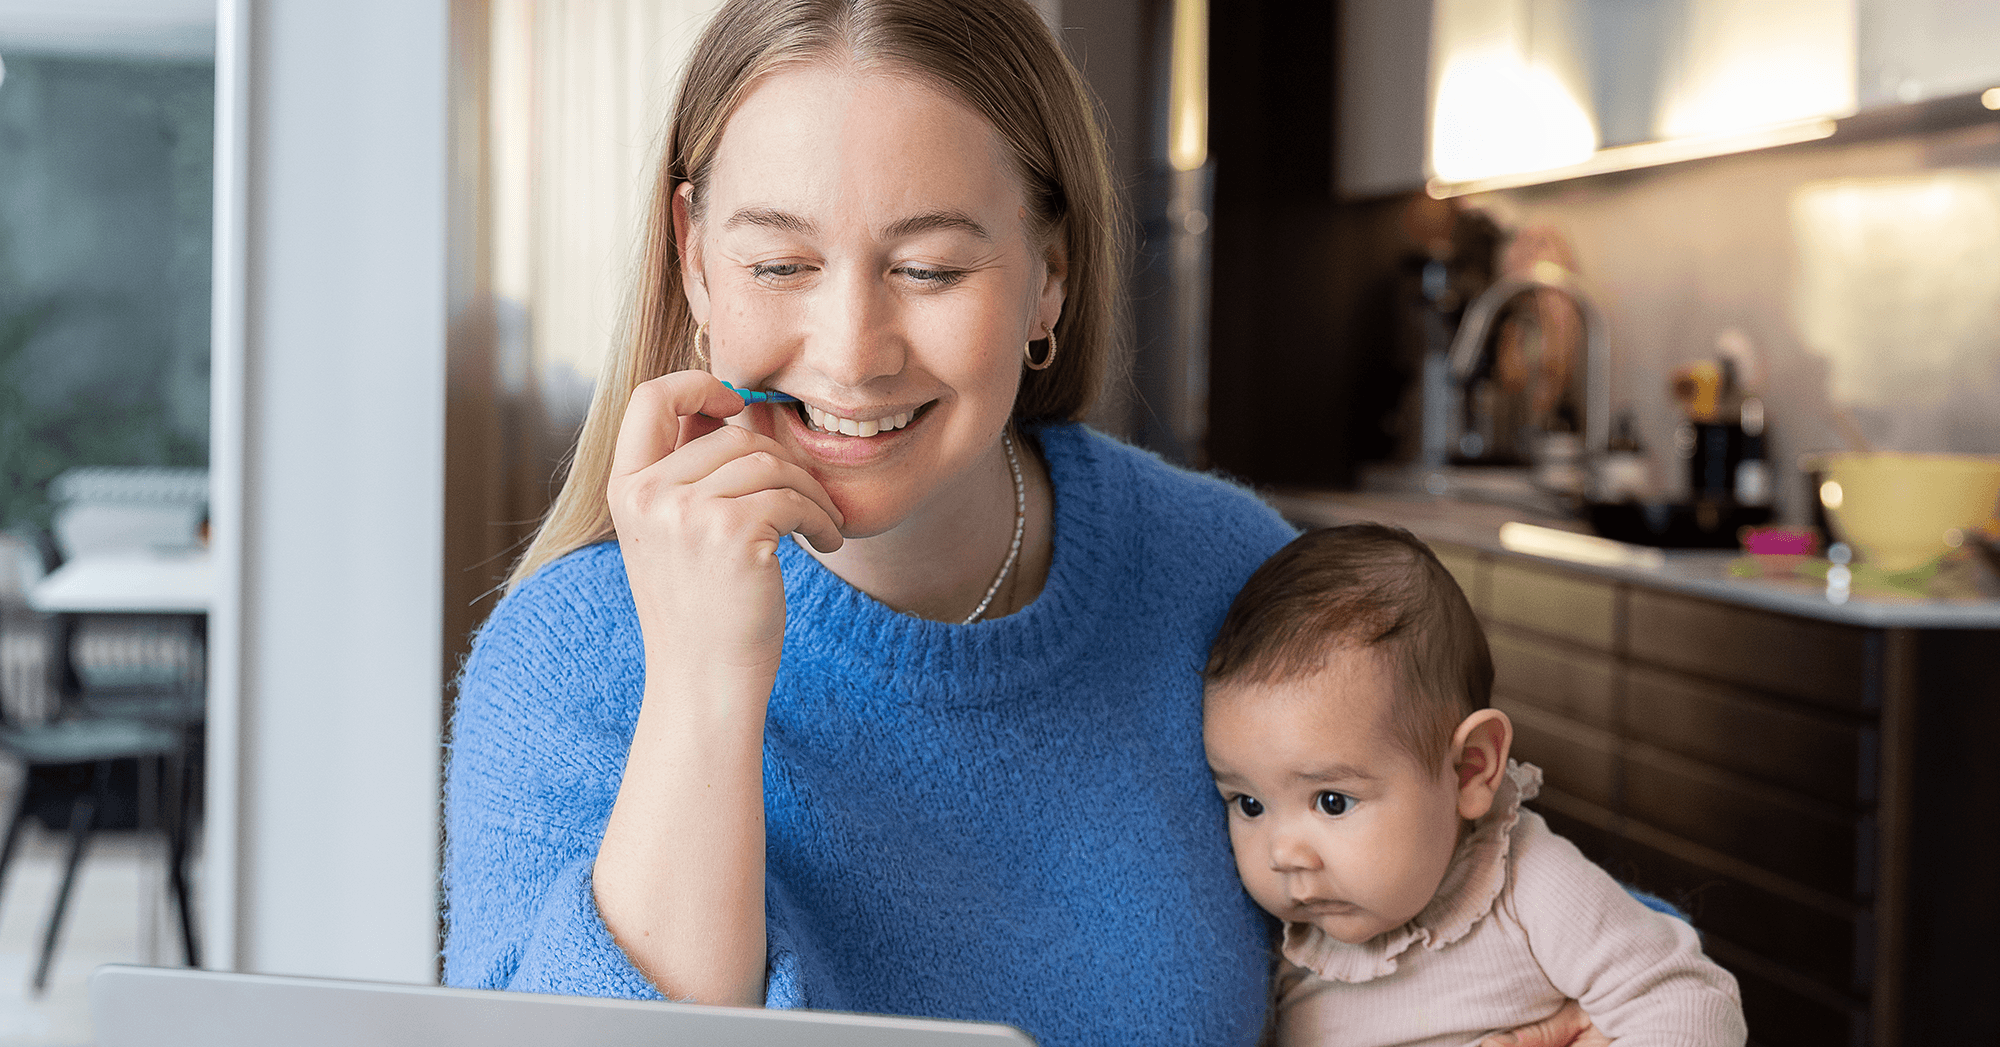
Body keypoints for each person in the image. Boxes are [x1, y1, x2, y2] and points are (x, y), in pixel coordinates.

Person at [443, 2, 1614, 1044]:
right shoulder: (570, 659)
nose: (850, 354)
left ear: (1049, 273)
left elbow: (1500, 893)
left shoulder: (1226, 576)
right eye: (779, 261)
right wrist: (702, 683)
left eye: (931, 269)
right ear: (695, 261)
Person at [1202, 524, 1748, 1047]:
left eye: (1332, 801)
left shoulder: (1529, 888)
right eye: (1249, 803)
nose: (1282, 853)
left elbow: (1689, 1003)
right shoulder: (1280, 946)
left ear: (1471, 769)